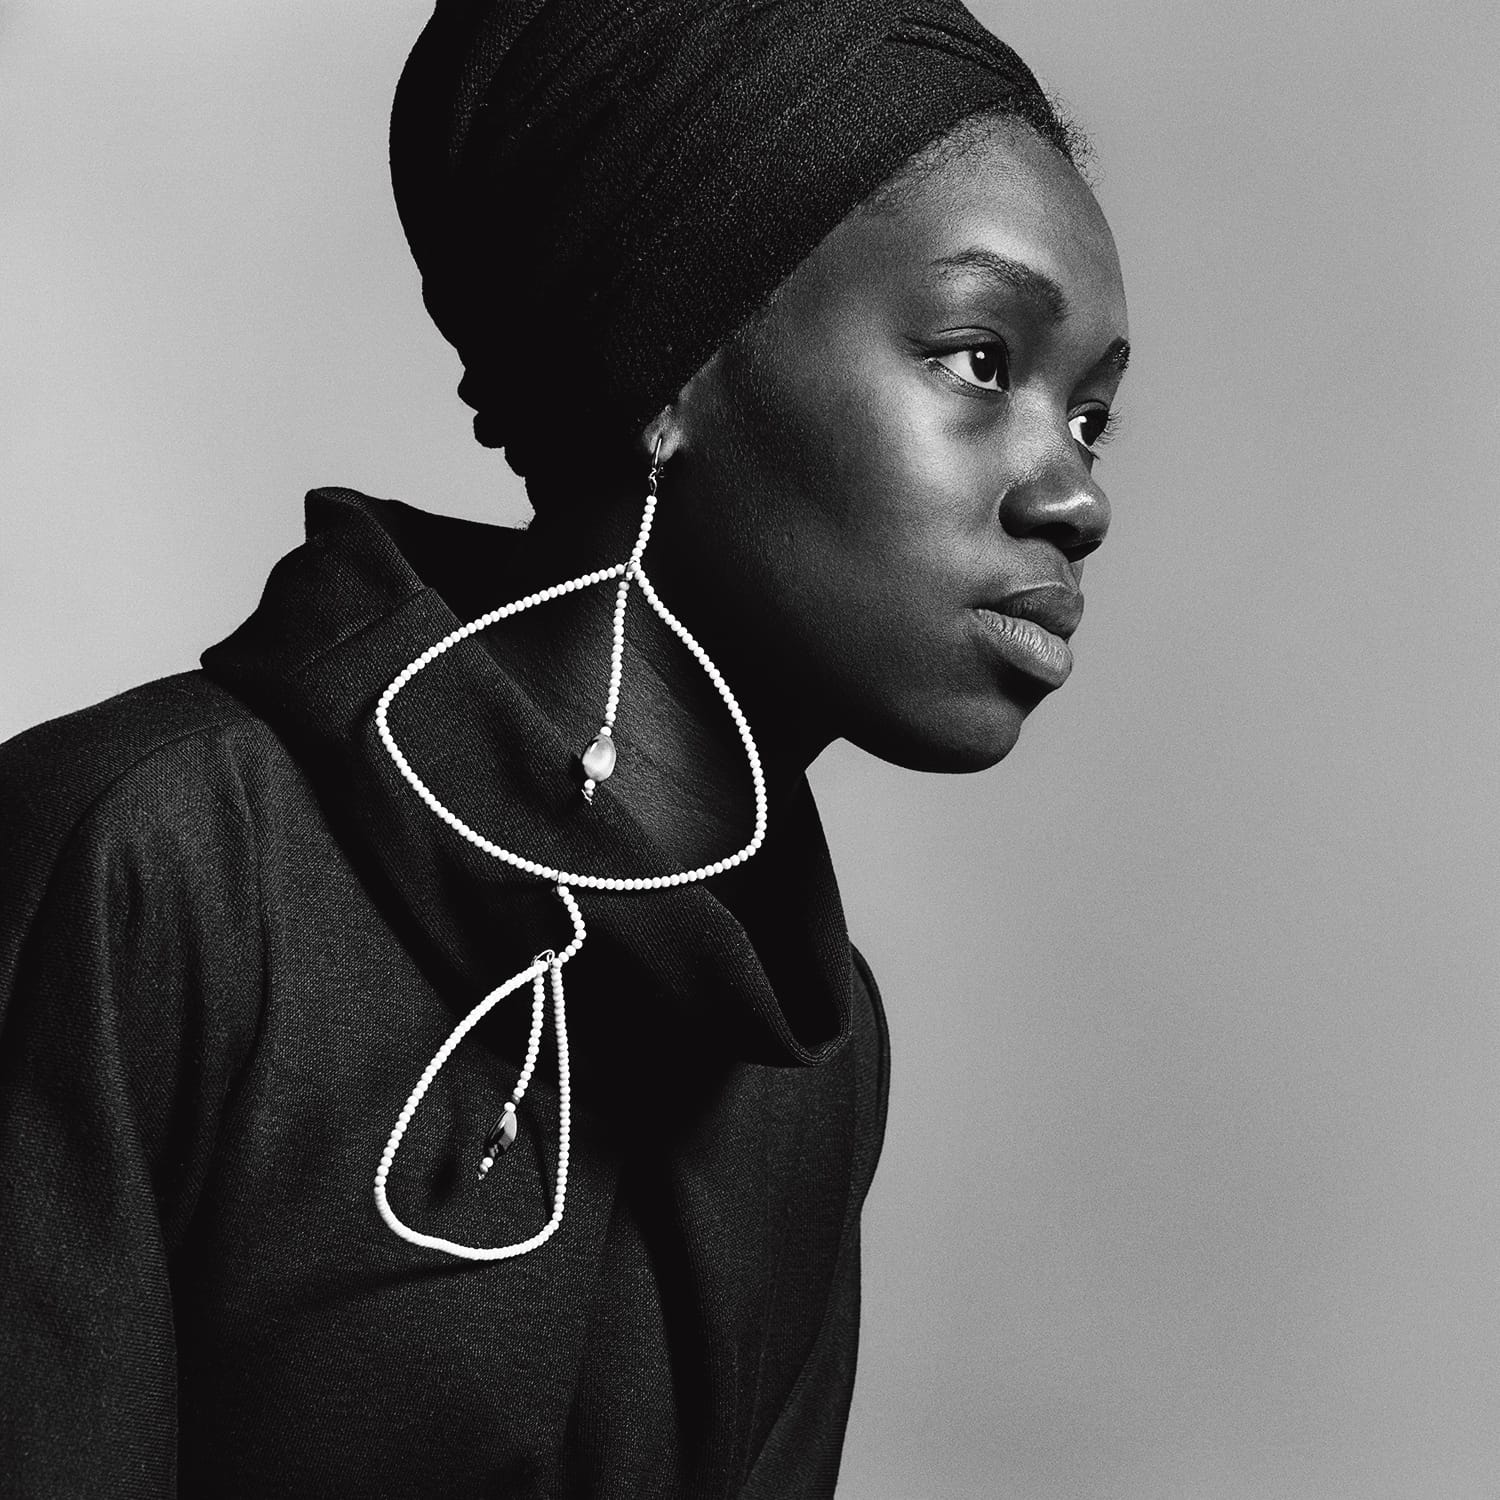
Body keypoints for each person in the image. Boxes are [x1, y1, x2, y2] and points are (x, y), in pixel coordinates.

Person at [0, 0, 1128, 1494]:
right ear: (673, 363)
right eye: (982, 358)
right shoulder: (146, 864)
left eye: (1095, 416)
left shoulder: (814, 1044)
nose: (1076, 496)